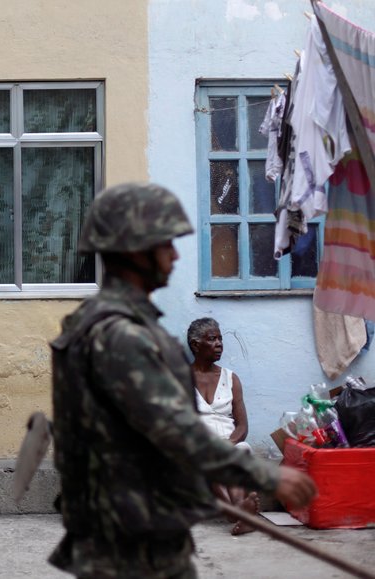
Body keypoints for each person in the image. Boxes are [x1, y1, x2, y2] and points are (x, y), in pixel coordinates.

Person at [49, 182, 317, 578]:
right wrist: (268, 475)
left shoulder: (108, 324)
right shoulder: (122, 335)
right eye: (165, 244)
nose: (175, 256)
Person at [188, 317, 259, 535]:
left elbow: (242, 426)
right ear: (196, 345)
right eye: (212, 339)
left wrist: (229, 443)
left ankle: (236, 512)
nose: (219, 344)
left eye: (220, 338)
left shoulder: (231, 378)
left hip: (231, 443)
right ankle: (242, 513)